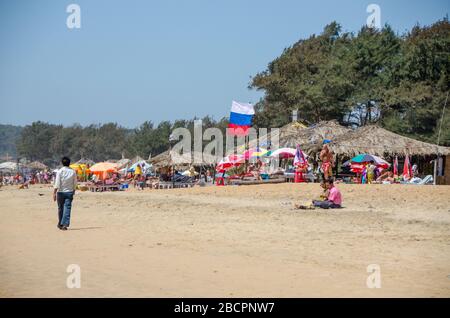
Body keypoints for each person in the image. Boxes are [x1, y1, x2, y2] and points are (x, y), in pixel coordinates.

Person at [53, 157, 77, 231]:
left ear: (62, 163)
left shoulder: (60, 171)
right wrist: (73, 190)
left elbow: (57, 183)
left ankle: (61, 223)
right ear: (69, 163)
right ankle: (64, 224)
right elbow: (75, 182)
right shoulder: (73, 172)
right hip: (69, 192)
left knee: (60, 208)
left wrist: (54, 193)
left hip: (60, 192)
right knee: (67, 208)